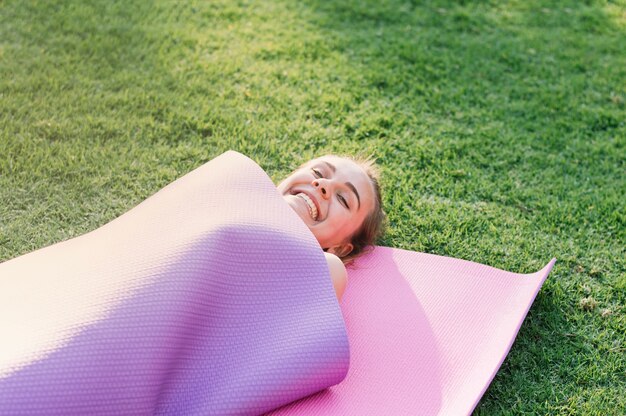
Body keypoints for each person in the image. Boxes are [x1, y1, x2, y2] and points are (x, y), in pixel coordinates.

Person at [277, 154, 386, 301]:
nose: (322, 183)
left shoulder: (330, 269)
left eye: (342, 199)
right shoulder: (241, 179)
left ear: (340, 248)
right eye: (318, 172)